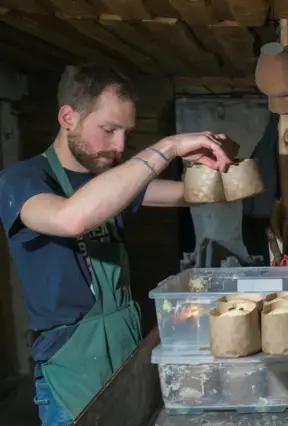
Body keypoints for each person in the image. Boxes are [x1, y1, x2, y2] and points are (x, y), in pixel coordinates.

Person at [0, 64, 239, 426]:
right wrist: (169, 146)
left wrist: (211, 166)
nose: (120, 146)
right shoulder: (23, 179)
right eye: (108, 130)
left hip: (126, 347)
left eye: (126, 133)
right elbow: (70, 218)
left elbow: (193, 195)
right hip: (71, 363)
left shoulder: (110, 180)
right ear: (68, 117)